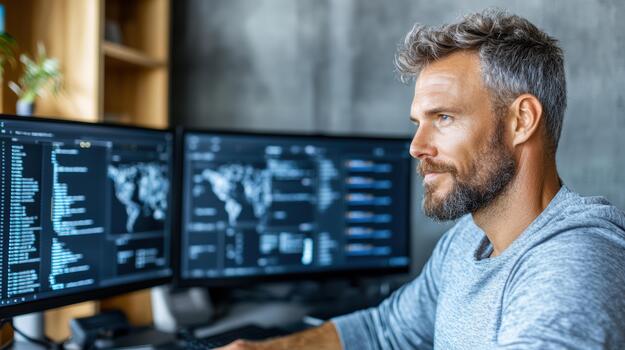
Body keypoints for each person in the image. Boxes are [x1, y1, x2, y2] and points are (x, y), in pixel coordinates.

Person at [219, 9, 625, 350]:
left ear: (521, 121)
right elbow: (385, 330)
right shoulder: (468, 239)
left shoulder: (575, 261)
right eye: (418, 122)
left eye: (443, 118)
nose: (416, 146)